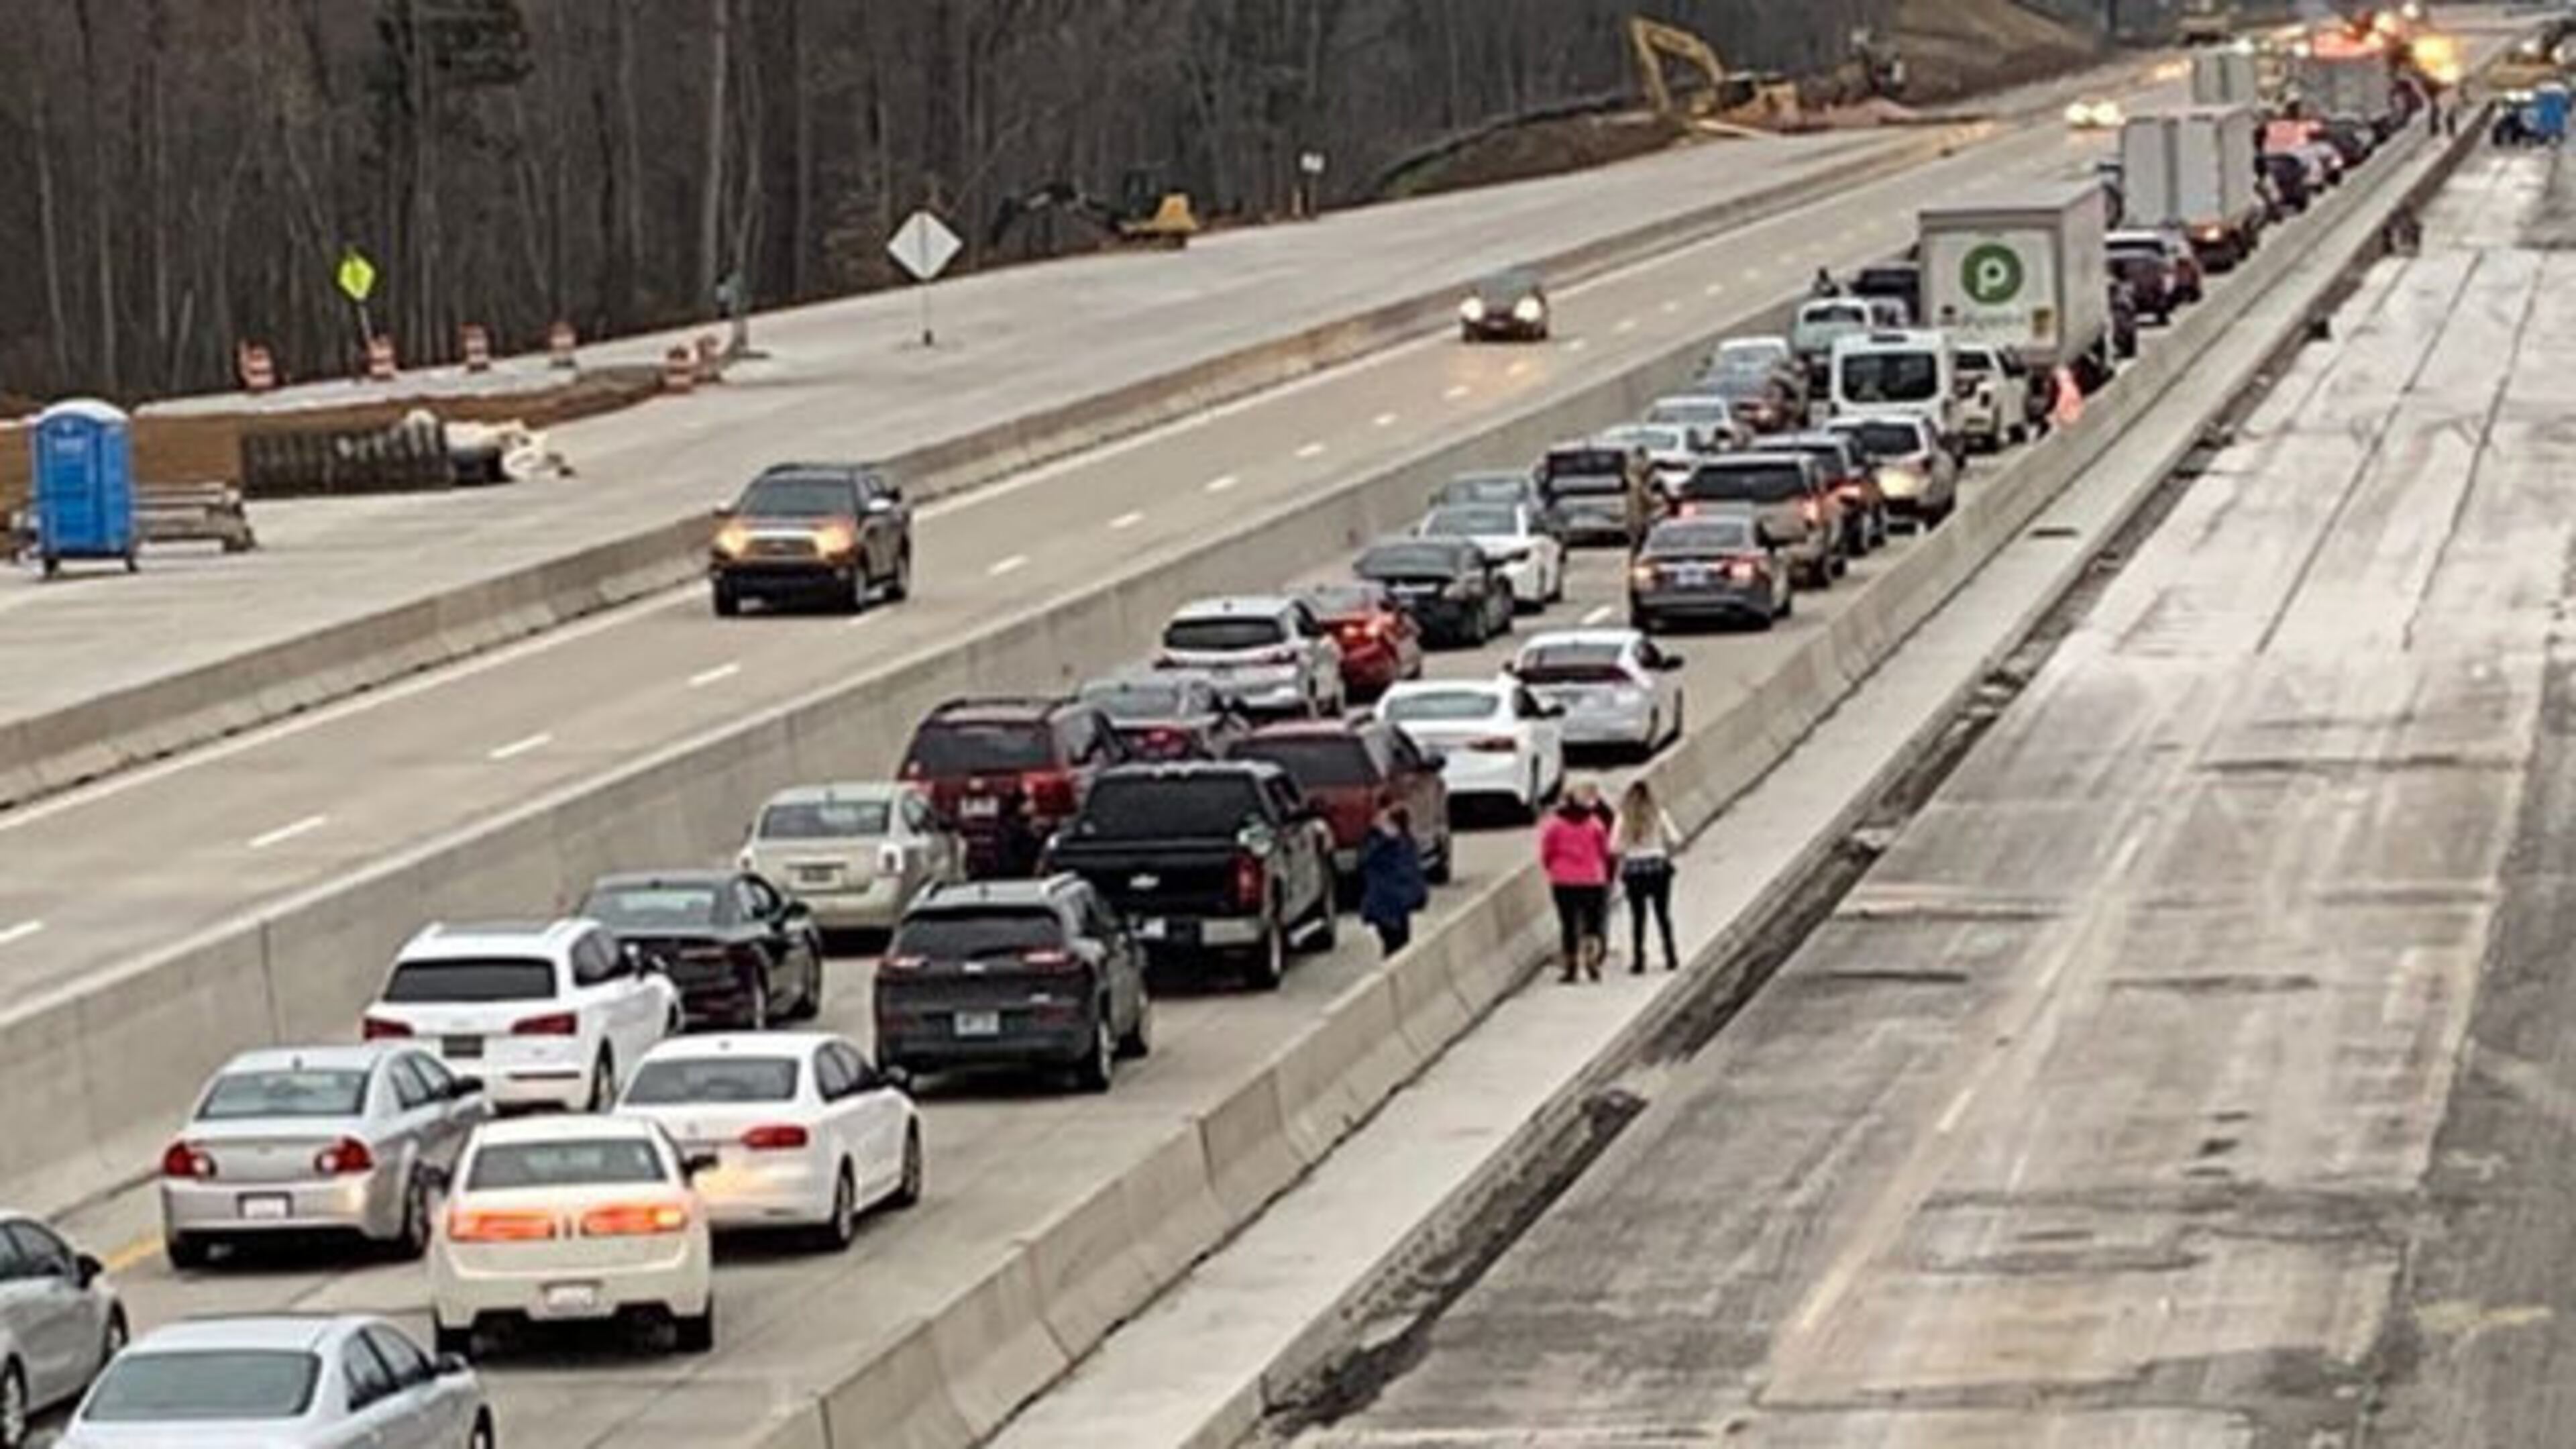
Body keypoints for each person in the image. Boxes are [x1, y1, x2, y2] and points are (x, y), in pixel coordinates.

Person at [1539, 784, 1614, 983]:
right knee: (1592, 924)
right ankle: (1591, 960)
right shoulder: (1595, 824)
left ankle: (1571, 966)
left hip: (1563, 880)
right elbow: (1605, 851)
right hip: (1592, 880)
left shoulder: (1555, 826)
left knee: (1568, 924)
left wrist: (1552, 869)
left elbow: (1547, 852)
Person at [1613, 780, 1683, 975]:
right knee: (1663, 915)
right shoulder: (1659, 814)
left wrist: (1629, 850)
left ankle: (1639, 960)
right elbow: (1676, 838)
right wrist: (1663, 850)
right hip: (1657, 868)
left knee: (1638, 917)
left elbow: (1613, 846)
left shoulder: (1623, 818)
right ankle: (1670, 955)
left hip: (1634, 871)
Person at [1358, 802, 1429, 958]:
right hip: (1393, 905)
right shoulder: (1403, 843)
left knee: (1395, 943)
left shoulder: (1385, 842)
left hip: (1388, 905)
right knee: (1398, 942)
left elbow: (1365, 863)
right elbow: (1413, 874)